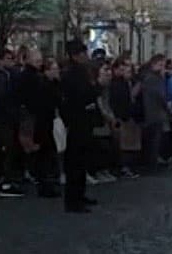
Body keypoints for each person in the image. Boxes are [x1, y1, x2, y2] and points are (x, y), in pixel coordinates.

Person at [60, 40, 98, 213]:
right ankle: (73, 200)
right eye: (83, 53)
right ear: (76, 55)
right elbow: (81, 96)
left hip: (84, 120)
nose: (86, 56)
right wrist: (97, 88)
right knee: (75, 162)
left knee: (82, 161)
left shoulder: (82, 72)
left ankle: (80, 194)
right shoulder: (71, 74)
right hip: (77, 121)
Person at [18, 49, 60, 198]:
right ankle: (45, 183)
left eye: (39, 58)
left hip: (41, 118)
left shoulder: (35, 77)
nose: (39, 61)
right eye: (36, 59)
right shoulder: (31, 77)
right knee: (44, 152)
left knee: (45, 152)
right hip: (39, 119)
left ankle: (46, 182)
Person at [0, 49, 24, 198]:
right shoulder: (1, 77)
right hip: (4, 118)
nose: (11, 61)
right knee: (7, 149)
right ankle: (6, 182)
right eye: (8, 58)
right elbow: (1, 97)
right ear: (0, 61)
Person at [108, 59, 139, 179]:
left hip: (127, 116)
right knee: (123, 145)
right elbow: (117, 101)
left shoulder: (125, 83)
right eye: (121, 69)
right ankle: (122, 168)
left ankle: (126, 167)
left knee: (128, 144)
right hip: (121, 116)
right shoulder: (115, 84)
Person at [141, 54, 170, 172]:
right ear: (153, 65)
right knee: (154, 139)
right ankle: (152, 163)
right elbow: (160, 95)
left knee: (154, 139)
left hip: (153, 112)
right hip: (154, 112)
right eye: (160, 65)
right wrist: (167, 107)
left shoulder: (151, 77)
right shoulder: (153, 78)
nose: (163, 67)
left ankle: (153, 161)